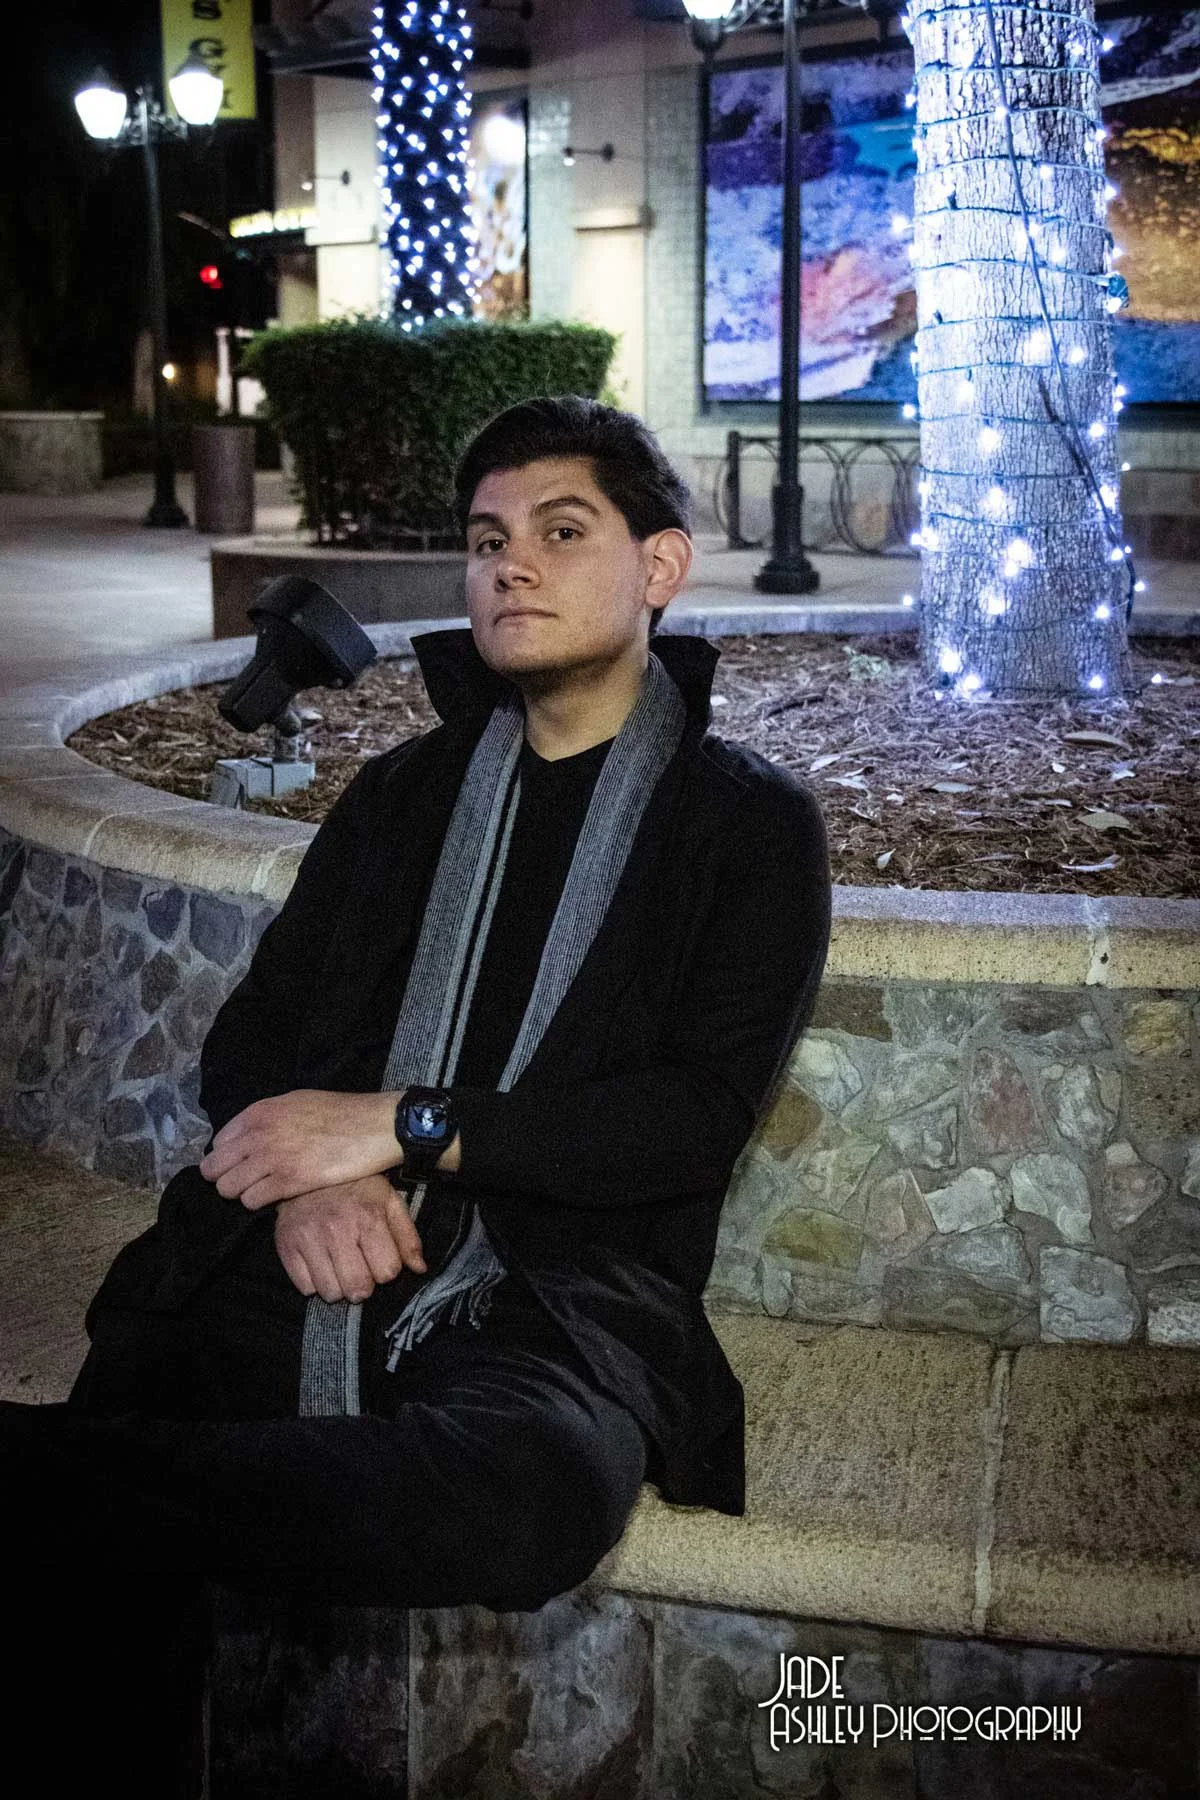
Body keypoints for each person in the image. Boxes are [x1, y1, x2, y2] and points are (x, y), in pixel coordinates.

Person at [0, 395, 831, 1795]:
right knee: (146, 1396)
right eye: (487, 538)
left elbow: (686, 1120)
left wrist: (406, 1125)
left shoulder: (744, 830)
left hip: (548, 1292)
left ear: (660, 566)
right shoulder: (401, 795)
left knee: (528, 1499)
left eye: (562, 533)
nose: (510, 565)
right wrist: (325, 1182)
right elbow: (255, 1042)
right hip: (315, 1240)